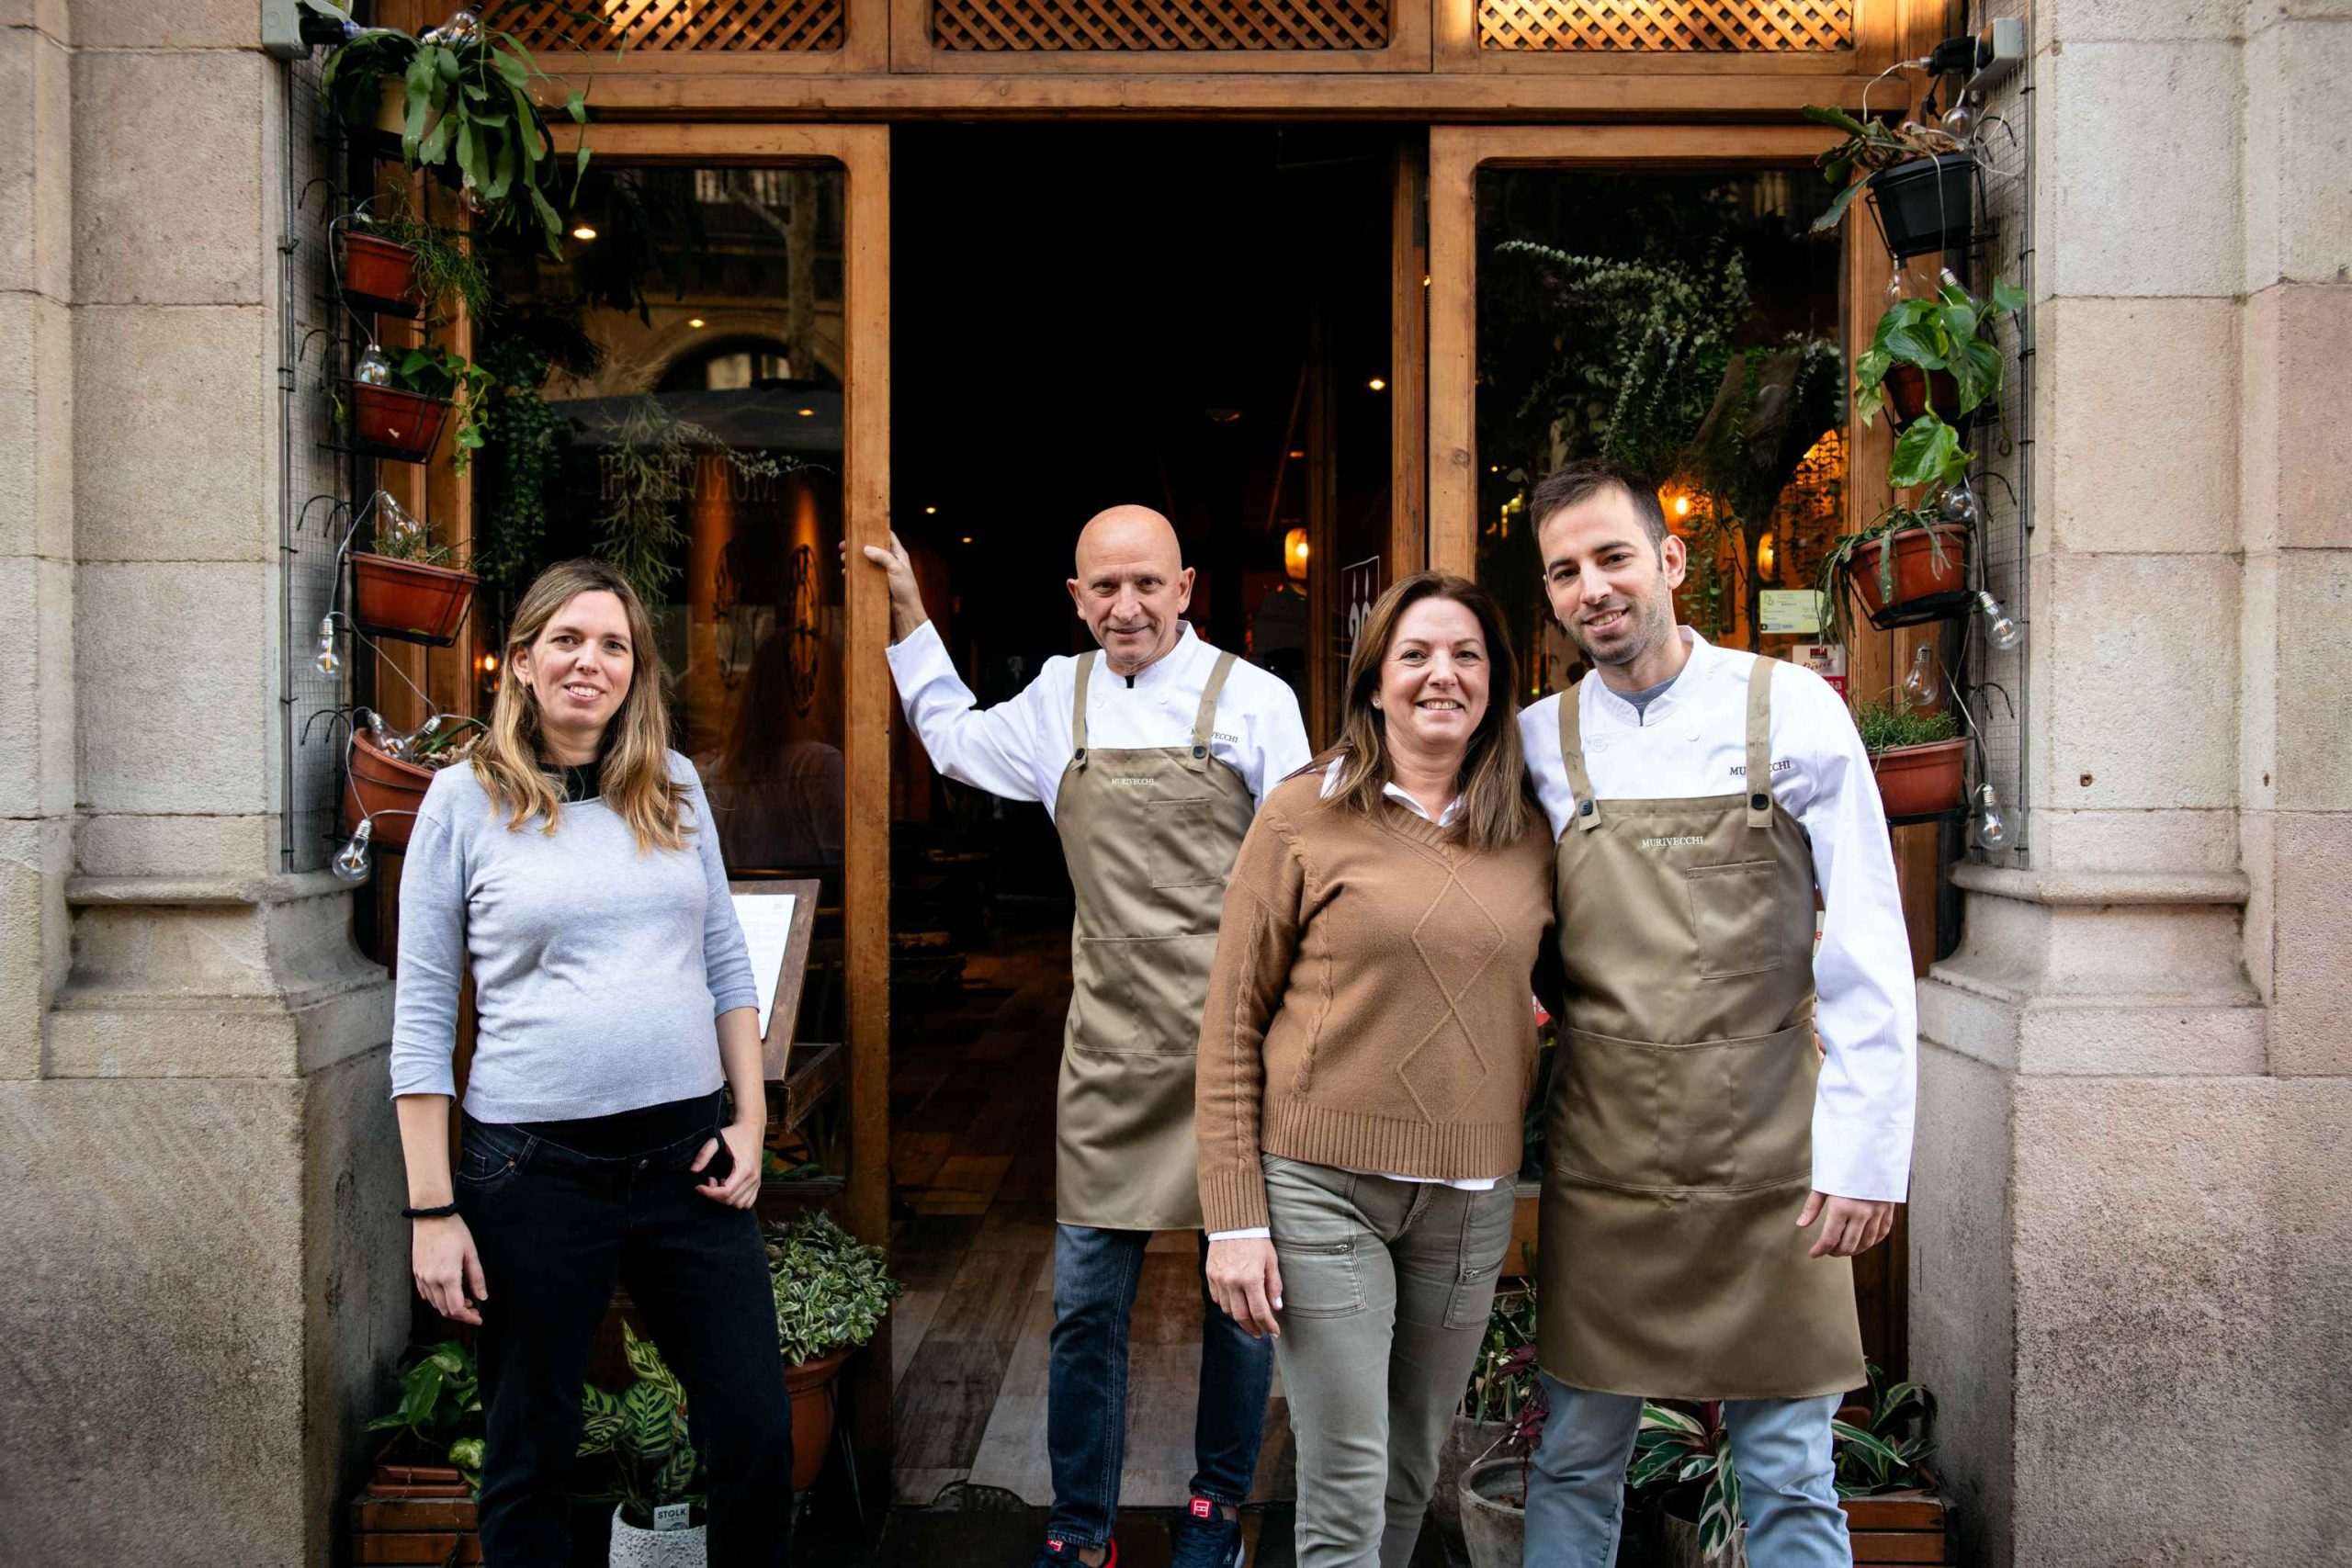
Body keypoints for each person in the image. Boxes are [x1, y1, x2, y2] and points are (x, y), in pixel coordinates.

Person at [860, 507, 1313, 1568]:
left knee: (1240, 1304)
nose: (1127, 606)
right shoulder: (1055, 699)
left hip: (1233, 1054)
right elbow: (953, 741)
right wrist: (910, 618)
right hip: (1107, 1054)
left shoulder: (1254, 703)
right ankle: (1080, 1528)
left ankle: (1216, 1512)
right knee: (1083, 1310)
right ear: (1075, 599)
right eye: (1104, 588)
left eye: (1147, 584)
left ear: (1188, 586)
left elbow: (1304, 881)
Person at [1513, 460, 1917, 1568]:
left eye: (1612, 559)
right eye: (1564, 572)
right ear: (1548, 596)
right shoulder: (1538, 743)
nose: (1592, 588)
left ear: (1670, 561)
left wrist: (1868, 1154)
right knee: (1573, 1457)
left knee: (1788, 1469)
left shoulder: (1788, 705)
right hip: (1605, 1152)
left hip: (1772, 1145)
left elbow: (1868, 941)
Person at [390, 558, 791, 1568]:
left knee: (752, 1426)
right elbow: (425, 1012)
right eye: (566, 640)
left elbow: (724, 960)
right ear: (520, 660)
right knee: (532, 1444)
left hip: (689, 1166)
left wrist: (748, 1121)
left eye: (613, 645)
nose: (590, 662)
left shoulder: (675, 785)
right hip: (533, 1173)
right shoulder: (457, 802)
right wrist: (432, 1211)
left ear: (635, 671)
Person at [1194, 572, 1556, 1568]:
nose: (1442, 675)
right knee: (1347, 1476)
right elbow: (1229, 1025)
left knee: (1409, 1470)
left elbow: (1591, 994)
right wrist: (1234, 1218)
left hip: (1471, 1200)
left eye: (1466, 656)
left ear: (1495, 681)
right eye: (1415, 656)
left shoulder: (1532, 829)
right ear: (1374, 682)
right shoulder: (1301, 814)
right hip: (1323, 1188)